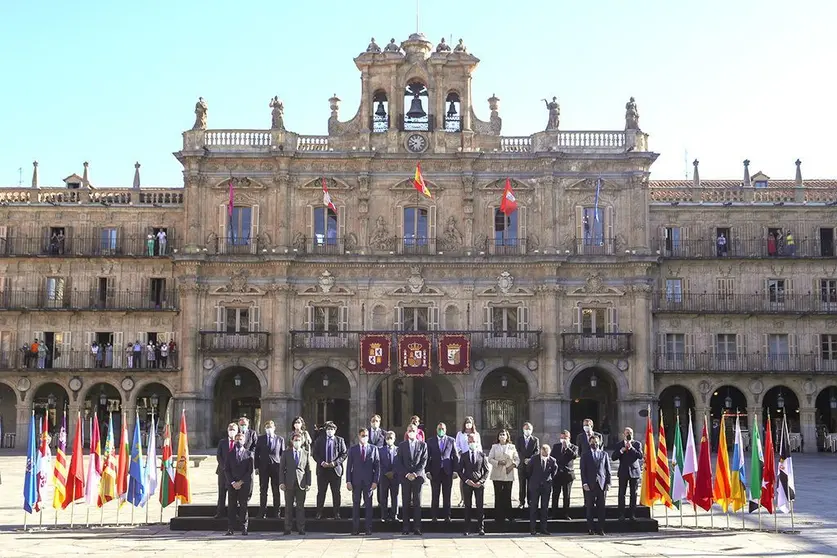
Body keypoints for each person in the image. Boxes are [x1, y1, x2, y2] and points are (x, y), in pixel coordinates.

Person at [346, 428, 381, 535]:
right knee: (356, 505)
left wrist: (375, 481)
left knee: (369, 506)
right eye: (362, 435)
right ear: (358, 436)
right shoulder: (353, 449)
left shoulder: (374, 449)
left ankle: (368, 528)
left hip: (369, 482)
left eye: (366, 435)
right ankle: (355, 528)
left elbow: (377, 466)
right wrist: (348, 481)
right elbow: (349, 467)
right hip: (356, 481)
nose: (364, 437)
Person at [312, 420, 347, 519]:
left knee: (336, 493)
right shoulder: (320, 440)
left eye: (332, 429)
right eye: (328, 429)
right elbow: (315, 454)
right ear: (325, 430)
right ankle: (319, 512)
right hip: (322, 470)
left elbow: (344, 454)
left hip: (335, 470)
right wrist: (321, 462)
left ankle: (337, 513)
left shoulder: (340, 440)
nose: (330, 431)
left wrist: (335, 463)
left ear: (335, 430)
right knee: (321, 492)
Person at [397, 423, 428, 535]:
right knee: (405, 503)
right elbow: (399, 462)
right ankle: (405, 527)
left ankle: (417, 527)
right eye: (409, 430)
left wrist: (415, 473)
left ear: (417, 432)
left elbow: (423, 461)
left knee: (417, 503)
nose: (411, 432)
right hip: (405, 478)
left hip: (418, 477)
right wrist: (406, 474)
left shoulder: (423, 445)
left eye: (413, 430)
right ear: (406, 432)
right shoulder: (402, 445)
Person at [279, 431, 311, 536]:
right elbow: (281, 469)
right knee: (288, 507)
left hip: (301, 483)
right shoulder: (286, 453)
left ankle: (301, 528)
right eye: (295, 440)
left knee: (300, 507)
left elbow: (308, 469)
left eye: (299, 440)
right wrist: (282, 482)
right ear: (292, 441)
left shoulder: (305, 453)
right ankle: (287, 528)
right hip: (289, 483)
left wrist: (308, 483)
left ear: (302, 441)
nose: (297, 442)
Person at [224, 431, 254, 537]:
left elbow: (249, 471)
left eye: (241, 439)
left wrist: (241, 482)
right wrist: (233, 482)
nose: (238, 441)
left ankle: (244, 528)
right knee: (231, 506)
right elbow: (226, 470)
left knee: (243, 506)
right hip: (232, 484)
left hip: (244, 484)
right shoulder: (229, 453)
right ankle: (230, 528)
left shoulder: (249, 454)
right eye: (237, 439)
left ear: (244, 441)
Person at [426, 421, 458, 523]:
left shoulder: (451, 440)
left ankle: (447, 516)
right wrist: (427, 471)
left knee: (447, 495)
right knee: (435, 495)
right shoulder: (430, 441)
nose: (441, 431)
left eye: (443, 429)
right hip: (435, 472)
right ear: (436, 430)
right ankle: (434, 516)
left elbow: (455, 456)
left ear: (446, 430)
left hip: (447, 471)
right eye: (439, 429)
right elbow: (427, 457)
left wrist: (455, 471)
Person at [487, 428, 519, 528]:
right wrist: (498, 463)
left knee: (507, 495)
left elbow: (517, 459)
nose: (502, 436)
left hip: (508, 473)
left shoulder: (512, 447)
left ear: (507, 436)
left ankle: (509, 515)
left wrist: (512, 466)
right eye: (500, 434)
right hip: (497, 473)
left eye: (504, 434)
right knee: (498, 495)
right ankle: (498, 516)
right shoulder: (494, 447)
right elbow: (489, 459)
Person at [581, 434, 611, 536]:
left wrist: (608, 483)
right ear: (589, 443)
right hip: (590, 484)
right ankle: (590, 528)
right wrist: (584, 483)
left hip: (601, 485)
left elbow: (608, 470)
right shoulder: (585, 455)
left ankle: (600, 529)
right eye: (592, 442)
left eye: (596, 442)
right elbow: (583, 471)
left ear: (599, 443)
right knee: (590, 508)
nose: (595, 444)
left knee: (601, 508)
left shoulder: (604, 454)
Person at [459, 433, 489, 536]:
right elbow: (460, 471)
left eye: (473, 441)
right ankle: (467, 528)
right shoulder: (464, 455)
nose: (472, 443)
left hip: (478, 484)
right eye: (470, 441)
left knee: (479, 506)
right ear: (468, 443)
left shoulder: (482, 455)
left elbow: (486, 471)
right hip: (468, 484)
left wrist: (481, 481)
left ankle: (481, 528)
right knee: (467, 506)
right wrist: (466, 480)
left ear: (477, 442)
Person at [255, 420, 284, 518]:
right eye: (267, 427)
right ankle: (262, 511)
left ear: (274, 428)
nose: (269, 429)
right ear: (264, 428)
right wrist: (256, 467)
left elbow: (282, 455)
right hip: (263, 467)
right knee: (263, 489)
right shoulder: (260, 439)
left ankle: (277, 512)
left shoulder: (280, 439)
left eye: (270, 427)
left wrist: (283, 468)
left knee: (276, 490)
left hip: (276, 467)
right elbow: (256, 454)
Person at [613, 427, 643, 521]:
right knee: (622, 493)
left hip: (634, 471)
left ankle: (632, 514)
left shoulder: (637, 444)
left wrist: (631, 448)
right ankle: (621, 514)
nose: (628, 434)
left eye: (630, 433)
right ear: (623, 434)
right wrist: (621, 451)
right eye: (626, 433)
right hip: (623, 471)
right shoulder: (619, 444)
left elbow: (640, 456)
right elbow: (613, 457)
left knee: (633, 494)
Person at [527, 443, 557, 535]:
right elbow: (529, 471)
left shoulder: (552, 460)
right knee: (534, 507)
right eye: (544, 452)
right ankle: (533, 529)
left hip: (546, 487)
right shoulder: (534, 459)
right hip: (535, 486)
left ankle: (543, 528)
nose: (545, 454)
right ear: (541, 451)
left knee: (545, 508)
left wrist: (548, 481)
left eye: (547, 452)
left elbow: (554, 472)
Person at [551, 429, 579, 519]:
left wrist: (567, 448)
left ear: (569, 438)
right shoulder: (556, 446)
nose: (563, 439)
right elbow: (552, 458)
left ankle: (566, 513)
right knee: (555, 494)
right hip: (557, 474)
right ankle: (554, 513)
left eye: (565, 438)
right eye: (561, 438)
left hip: (568, 474)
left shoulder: (574, 447)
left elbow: (574, 456)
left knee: (566, 495)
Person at [455, 417, 480, 506]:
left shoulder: (476, 434)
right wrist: (460, 452)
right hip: (463, 458)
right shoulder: (460, 434)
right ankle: (463, 499)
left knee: (474, 478)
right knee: (463, 479)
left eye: (470, 422)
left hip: (473, 458)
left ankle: (472, 500)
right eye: (467, 422)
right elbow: (456, 445)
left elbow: (479, 446)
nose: (468, 424)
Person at [215, 423, 238, 519]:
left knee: (234, 495)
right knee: (222, 492)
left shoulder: (239, 442)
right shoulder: (222, 442)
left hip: (234, 473)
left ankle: (233, 513)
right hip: (223, 471)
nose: (231, 431)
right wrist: (224, 467)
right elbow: (219, 456)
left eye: (233, 429)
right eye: (230, 429)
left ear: (237, 431)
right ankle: (220, 512)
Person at [515, 422, 539, 508]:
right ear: (523, 430)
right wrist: (523, 459)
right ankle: (521, 502)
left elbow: (536, 451)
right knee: (522, 485)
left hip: (531, 465)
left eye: (529, 429)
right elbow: (517, 450)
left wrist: (530, 459)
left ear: (532, 430)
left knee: (530, 485)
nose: (527, 430)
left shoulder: (535, 440)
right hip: (521, 465)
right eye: (526, 429)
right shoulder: (519, 439)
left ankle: (530, 502)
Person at [378, 430, 400, 523]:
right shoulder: (380, 450)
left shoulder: (399, 450)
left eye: (391, 438)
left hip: (395, 476)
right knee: (384, 496)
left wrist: (394, 472)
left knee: (395, 496)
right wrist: (386, 472)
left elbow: (400, 463)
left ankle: (394, 514)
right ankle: (384, 515)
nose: (389, 439)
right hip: (384, 476)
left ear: (394, 439)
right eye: (387, 438)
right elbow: (379, 463)